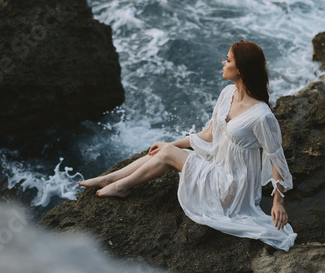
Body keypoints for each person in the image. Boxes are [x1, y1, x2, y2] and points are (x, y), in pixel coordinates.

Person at [79, 40, 297, 251]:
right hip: (218, 165)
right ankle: (110, 178)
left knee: (169, 154)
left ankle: (121, 187)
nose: (223, 63)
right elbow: (209, 134)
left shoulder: (261, 115)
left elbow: (276, 158)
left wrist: (278, 202)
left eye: (227, 60)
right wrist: (170, 143)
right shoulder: (227, 94)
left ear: (240, 69)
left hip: (232, 187)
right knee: (166, 150)